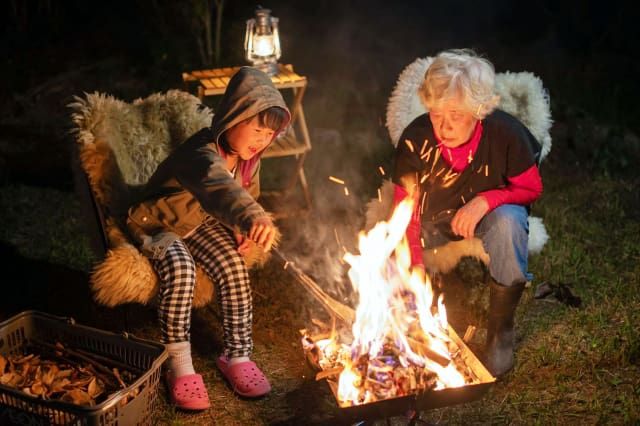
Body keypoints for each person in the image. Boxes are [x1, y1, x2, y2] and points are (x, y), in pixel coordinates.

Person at [125, 67, 290, 409]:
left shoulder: (249, 159)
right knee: (182, 268)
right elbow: (220, 187)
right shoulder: (200, 154)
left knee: (232, 265)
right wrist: (253, 216)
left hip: (198, 220)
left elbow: (245, 192)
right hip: (159, 221)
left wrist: (240, 227)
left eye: (269, 134)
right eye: (256, 129)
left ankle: (237, 356)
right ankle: (178, 364)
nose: (261, 140)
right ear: (233, 117)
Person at [391, 49, 543, 377]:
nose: (443, 127)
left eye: (456, 115)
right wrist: (414, 266)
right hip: (433, 218)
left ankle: (501, 333)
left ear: (479, 110)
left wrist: (488, 200)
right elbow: (404, 213)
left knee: (509, 223)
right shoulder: (416, 139)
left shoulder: (506, 134)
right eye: (436, 113)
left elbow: (531, 189)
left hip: (489, 218)